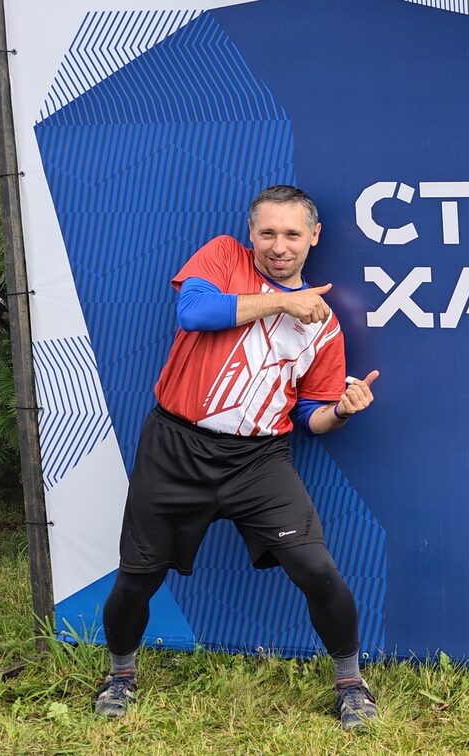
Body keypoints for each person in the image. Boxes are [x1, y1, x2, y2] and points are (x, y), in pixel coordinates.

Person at [92, 185, 382, 731]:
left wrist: (342, 411)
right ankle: (120, 675)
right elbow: (194, 312)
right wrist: (283, 301)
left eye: (292, 234)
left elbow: (310, 417)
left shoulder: (323, 325)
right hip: (176, 448)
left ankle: (351, 684)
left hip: (259, 460)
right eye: (268, 233)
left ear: (314, 236)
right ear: (251, 233)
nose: (279, 246)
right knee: (138, 576)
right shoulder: (224, 256)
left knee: (318, 570)